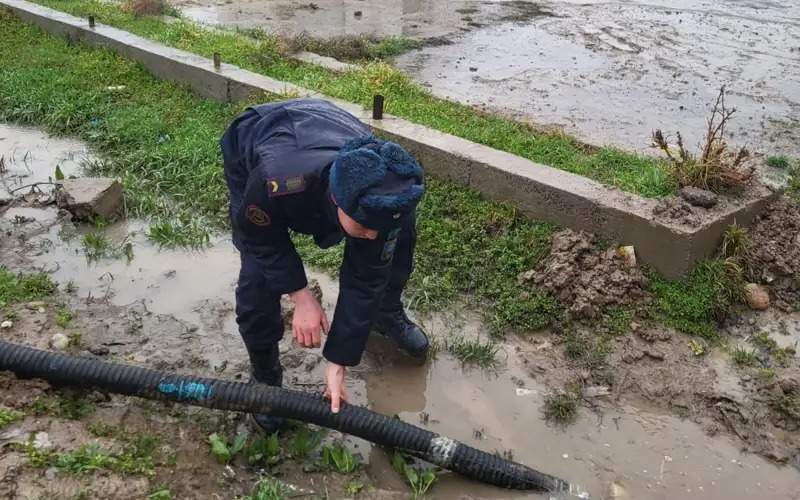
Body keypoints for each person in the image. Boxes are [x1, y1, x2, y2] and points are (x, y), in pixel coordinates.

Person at [220, 98, 429, 433]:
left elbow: (366, 277)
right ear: (336, 200)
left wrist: (339, 360)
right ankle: (265, 373)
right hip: (260, 137)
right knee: (258, 277)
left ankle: (385, 315)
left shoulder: (394, 185)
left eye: (377, 226)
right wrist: (300, 296)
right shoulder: (278, 182)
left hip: (328, 126)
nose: (372, 234)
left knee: (397, 243)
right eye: (363, 225)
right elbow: (260, 238)